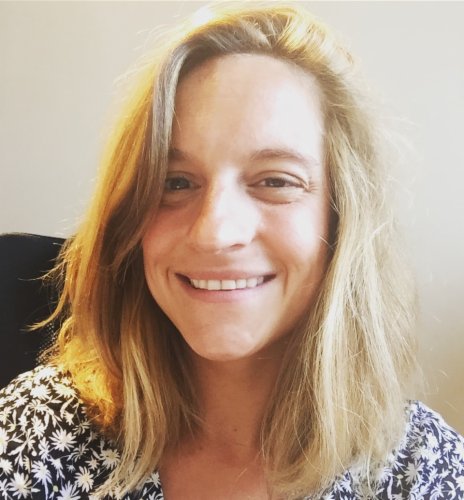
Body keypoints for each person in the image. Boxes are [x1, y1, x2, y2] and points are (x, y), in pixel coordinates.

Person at [1, 3, 463, 499]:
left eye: (275, 181)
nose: (214, 233)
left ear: (341, 215)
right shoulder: (33, 436)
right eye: (175, 182)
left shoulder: (423, 471)